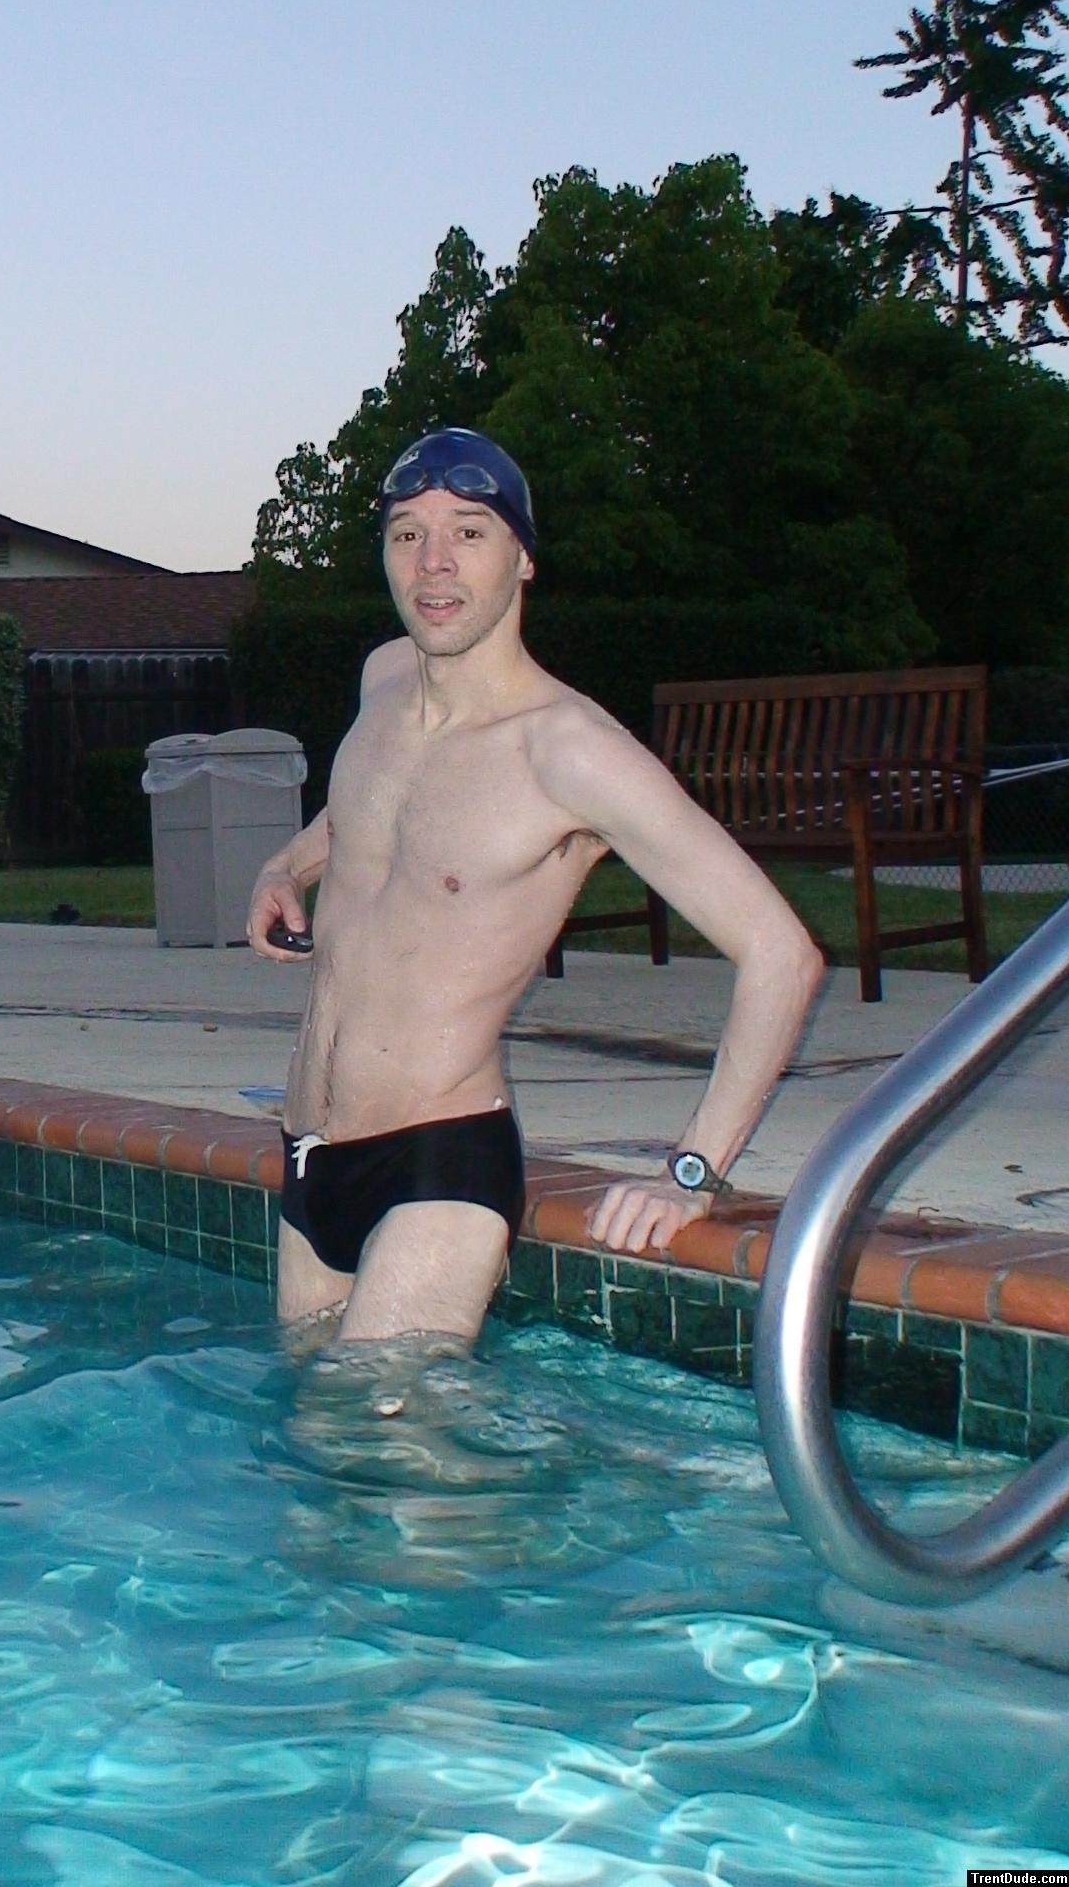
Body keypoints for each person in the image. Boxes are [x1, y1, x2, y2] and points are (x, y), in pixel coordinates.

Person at [247, 426, 823, 1346]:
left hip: (434, 1166)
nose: (434, 564)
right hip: (310, 1155)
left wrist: (692, 1172)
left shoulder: (568, 753)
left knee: (376, 1454)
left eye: (469, 532)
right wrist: (287, 866)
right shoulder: (385, 679)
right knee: (322, 1473)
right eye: (408, 534)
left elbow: (781, 955)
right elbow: (359, 821)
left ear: (523, 558)